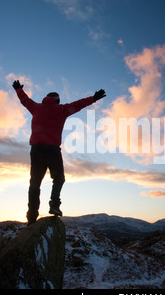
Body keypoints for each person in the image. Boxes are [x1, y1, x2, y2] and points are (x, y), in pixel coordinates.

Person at [13, 80, 106, 225]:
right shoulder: (62, 110)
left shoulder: (36, 108)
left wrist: (18, 89)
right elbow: (79, 104)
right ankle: (54, 205)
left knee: (35, 184)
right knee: (58, 179)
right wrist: (93, 98)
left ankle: (31, 217)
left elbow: (24, 100)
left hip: (36, 150)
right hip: (52, 150)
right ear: (57, 101)